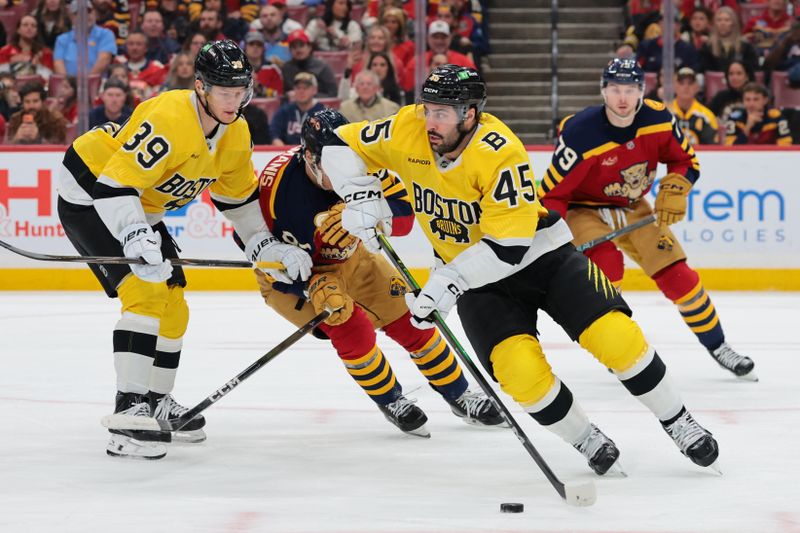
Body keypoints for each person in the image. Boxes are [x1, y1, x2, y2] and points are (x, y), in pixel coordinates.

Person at [318, 64, 721, 475]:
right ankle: (586, 438)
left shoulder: (499, 150)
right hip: (477, 283)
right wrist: (363, 195)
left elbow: (507, 247)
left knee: (617, 338)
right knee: (519, 373)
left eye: (443, 112)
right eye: (428, 108)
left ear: (470, 113)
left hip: (541, 259)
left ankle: (678, 421)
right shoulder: (409, 126)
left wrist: (448, 281)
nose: (430, 120)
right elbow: (333, 142)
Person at [55, 40, 271, 460]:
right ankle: (127, 416)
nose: (233, 101)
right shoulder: (170, 115)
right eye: (224, 91)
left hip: (141, 202)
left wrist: (264, 243)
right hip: (91, 191)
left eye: (240, 90)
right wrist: (134, 232)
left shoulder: (236, 131)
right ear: (200, 87)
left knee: (174, 305)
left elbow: (238, 200)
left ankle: (154, 401)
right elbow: (114, 186)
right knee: (146, 292)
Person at [245, 108, 505, 436]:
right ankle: (390, 399)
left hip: (355, 258)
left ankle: (459, 394)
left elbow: (405, 212)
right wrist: (309, 288)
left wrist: (371, 213)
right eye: (332, 164)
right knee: (347, 323)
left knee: (412, 320)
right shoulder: (278, 190)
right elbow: (266, 255)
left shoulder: (359, 161)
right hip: (291, 277)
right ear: (309, 157)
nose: (343, 173)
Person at [538, 58, 757, 382]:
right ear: (603, 91)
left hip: (632, 204)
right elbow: (552, 192)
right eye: (614, 90)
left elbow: (685, 161)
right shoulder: (580, 133)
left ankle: (719, 346)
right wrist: (556, 234)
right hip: (583, 208)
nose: (622, 98)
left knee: (677, 274)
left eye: (630, 89)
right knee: (606, 270)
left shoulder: (660, 119)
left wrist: (677, 185)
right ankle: (618, 349)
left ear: (642, 91)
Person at [53, 1, 117, 77]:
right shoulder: (62, 39)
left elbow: (104, 60)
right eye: (79, 13)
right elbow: (58, 64)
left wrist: (89, 82)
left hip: (98, 84)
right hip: (69, 85)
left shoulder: (106, 34)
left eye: (89, 11)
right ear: (72, 17)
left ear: (94, 13)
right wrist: (69, 84)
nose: (85, 16)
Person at [725, 82, 792, 145]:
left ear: (765, 100)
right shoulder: (734, 119)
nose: (751, 104)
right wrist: (747, 127)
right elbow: (731, 150)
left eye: (756, 99)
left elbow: (785, 147)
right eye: (747, 99)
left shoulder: (776, 117)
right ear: (743, 101)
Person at [270, 71, 325, 145]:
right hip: (288, 153)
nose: (301, 91)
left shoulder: (323, 113)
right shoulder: (284, 111)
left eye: (305, 88)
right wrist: (278, 143)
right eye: (298, 88)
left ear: (314, 90)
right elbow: (274, 133)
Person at [669, 67, 719, 145]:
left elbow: (712, 149)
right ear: (675, 86)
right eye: (681, 83)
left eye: (690, 83)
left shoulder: (707, 116)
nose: (686, 87)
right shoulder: (664, 113)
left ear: (697, 87)